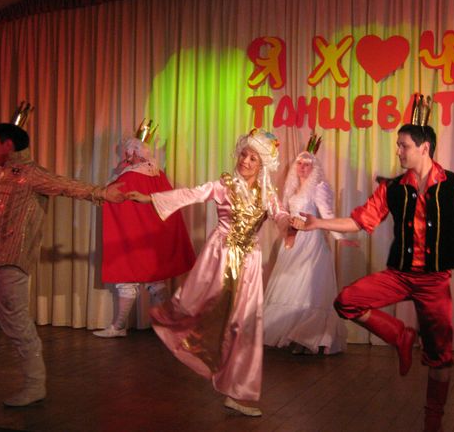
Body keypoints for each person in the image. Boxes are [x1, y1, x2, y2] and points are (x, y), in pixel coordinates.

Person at [295, 95, 454, 432]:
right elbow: (359, 221)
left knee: (440, 356)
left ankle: (433, 420)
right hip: (399, 275)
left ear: (424, 148)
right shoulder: (393, 188)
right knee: (347, 301)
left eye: (404, 146)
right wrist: (317, 223)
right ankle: (400, 335)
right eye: (398, 145)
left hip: (434, 281)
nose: (398, 151)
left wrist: (453, 249)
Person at [0, 121, 126, 407]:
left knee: (17, 327)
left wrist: (103, 193)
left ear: (8, 144)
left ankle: (35, 386)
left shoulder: (32, 175)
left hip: (9, 262)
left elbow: (66, 186)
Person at [127, 129, 288, 417]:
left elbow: (280, 216)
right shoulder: (224, 186)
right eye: (244, 155)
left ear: (262, 165)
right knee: (204, 312)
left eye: (253, 158)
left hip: (249, 262)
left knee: (245, 324)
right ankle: (175, 327)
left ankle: (236, 392)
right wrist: (150, 198)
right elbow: (191, 194)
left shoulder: (267, 194)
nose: (245, 161)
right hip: (221, 256)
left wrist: (295, 222)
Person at [94, 131, 196, 338]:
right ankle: (170, 326)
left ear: (132, 153)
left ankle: (118, 327)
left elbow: (110, 197)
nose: (126, 157)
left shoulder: (128, 176)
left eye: (127, 153)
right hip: (154, 239)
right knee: (155, 282)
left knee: (127, 280)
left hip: (133, 236)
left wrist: (114, 179)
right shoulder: (159, 175)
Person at [263, 145, 349, 355]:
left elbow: (327, 215)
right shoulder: (293, 190)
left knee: (307, 289)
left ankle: (307, 338)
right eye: (299, 164)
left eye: (307, 164)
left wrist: (340, 237)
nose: (302, 167)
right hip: (293, 241)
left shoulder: (319, 187)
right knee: (290, 286)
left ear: (314, 167)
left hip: (311, 244)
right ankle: (291, 336)